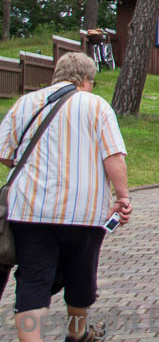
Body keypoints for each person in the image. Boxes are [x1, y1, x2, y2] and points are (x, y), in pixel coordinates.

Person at [0, 52, 130, 342]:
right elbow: (113, 156)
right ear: (87, 80)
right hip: (82, 210)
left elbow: (5, 154)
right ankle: (77, 334)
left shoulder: (25, 103)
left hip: (29, 209)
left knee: (33, 279)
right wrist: (123, 196)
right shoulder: (96, 106)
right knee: (80, 277)